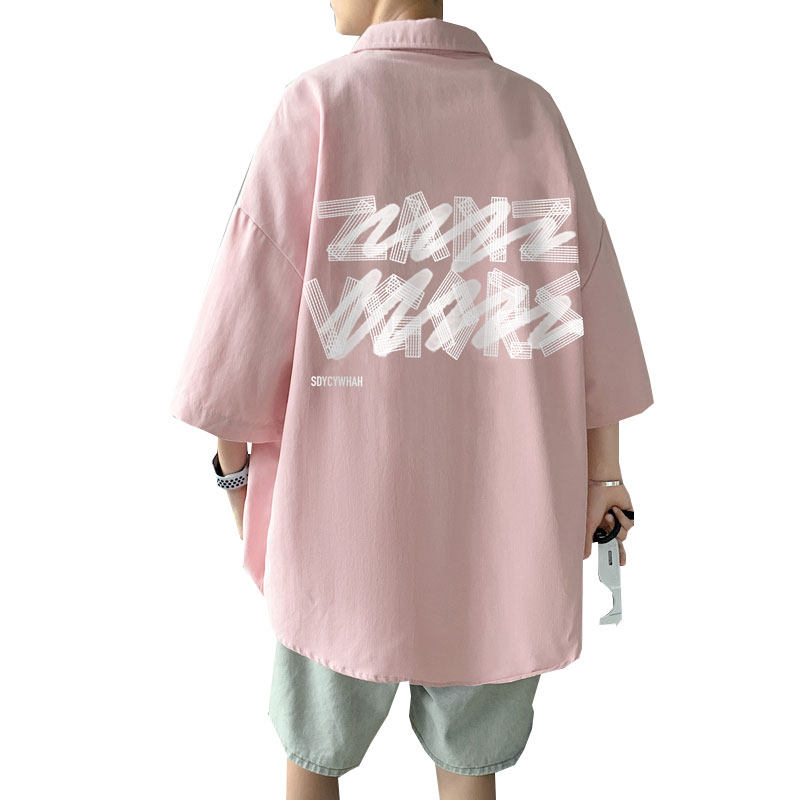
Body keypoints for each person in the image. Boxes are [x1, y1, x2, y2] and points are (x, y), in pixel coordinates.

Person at [169, 1, 654, 798]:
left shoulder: (319, 105)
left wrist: (238, 487)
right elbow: (589, 301)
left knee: (312, 757)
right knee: (471, 770)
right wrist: (605, 476)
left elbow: (242, 333)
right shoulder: (531, 113)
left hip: (337, 533)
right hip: (501, 535)